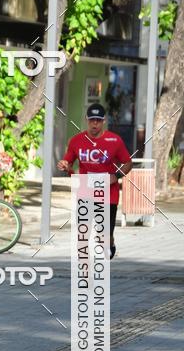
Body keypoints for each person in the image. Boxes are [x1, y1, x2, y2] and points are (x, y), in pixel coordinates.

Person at [57, 103, 133, 258]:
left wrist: (116, 176)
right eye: (92, 120)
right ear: (86, 119)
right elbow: (68, 161)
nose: (95, 123)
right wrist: (64, 165)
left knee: (105, 235)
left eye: (98, 120)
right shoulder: (76, 141)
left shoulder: (114, 141)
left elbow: (128, 162)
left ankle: (110, 243)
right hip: (85, 192)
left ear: (104, 121)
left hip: (108, 195)